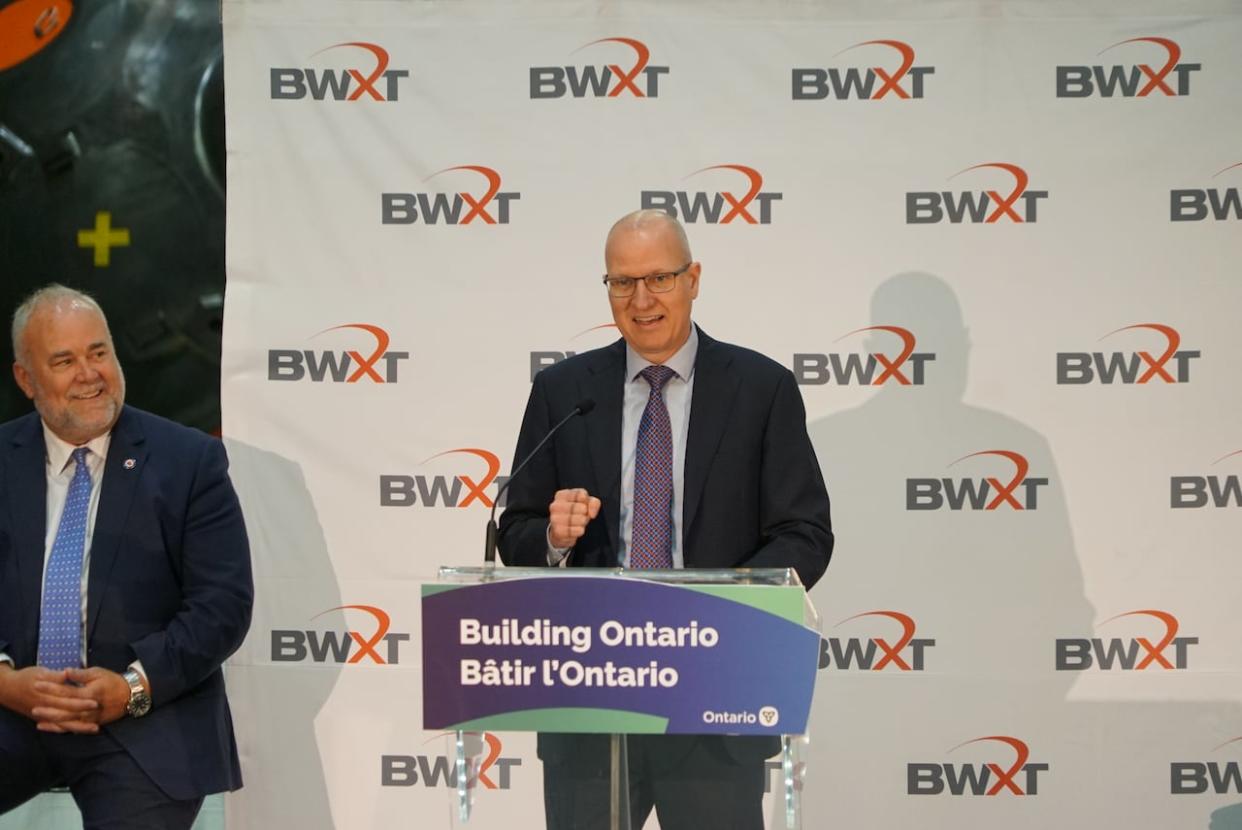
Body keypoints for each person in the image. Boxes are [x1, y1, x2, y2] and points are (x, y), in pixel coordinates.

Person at [498, 210, 833, 829]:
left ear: (693, 278)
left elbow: (804, 533)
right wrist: (551, 537)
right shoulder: (565, 390)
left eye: (658, 278)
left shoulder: (761, 388)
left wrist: (724, 605)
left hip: (715, 694)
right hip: (588, 698)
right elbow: (513, 528)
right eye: (622, 282)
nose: (641, 299)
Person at [0, 285, 253, 828]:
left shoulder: (190, 461)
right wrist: (4, 682)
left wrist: (133, 688)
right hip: (11, 705)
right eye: (64, 360)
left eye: (98, 352)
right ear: (26, 379)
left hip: (144, 715)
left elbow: (222, 606)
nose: (89, 374)